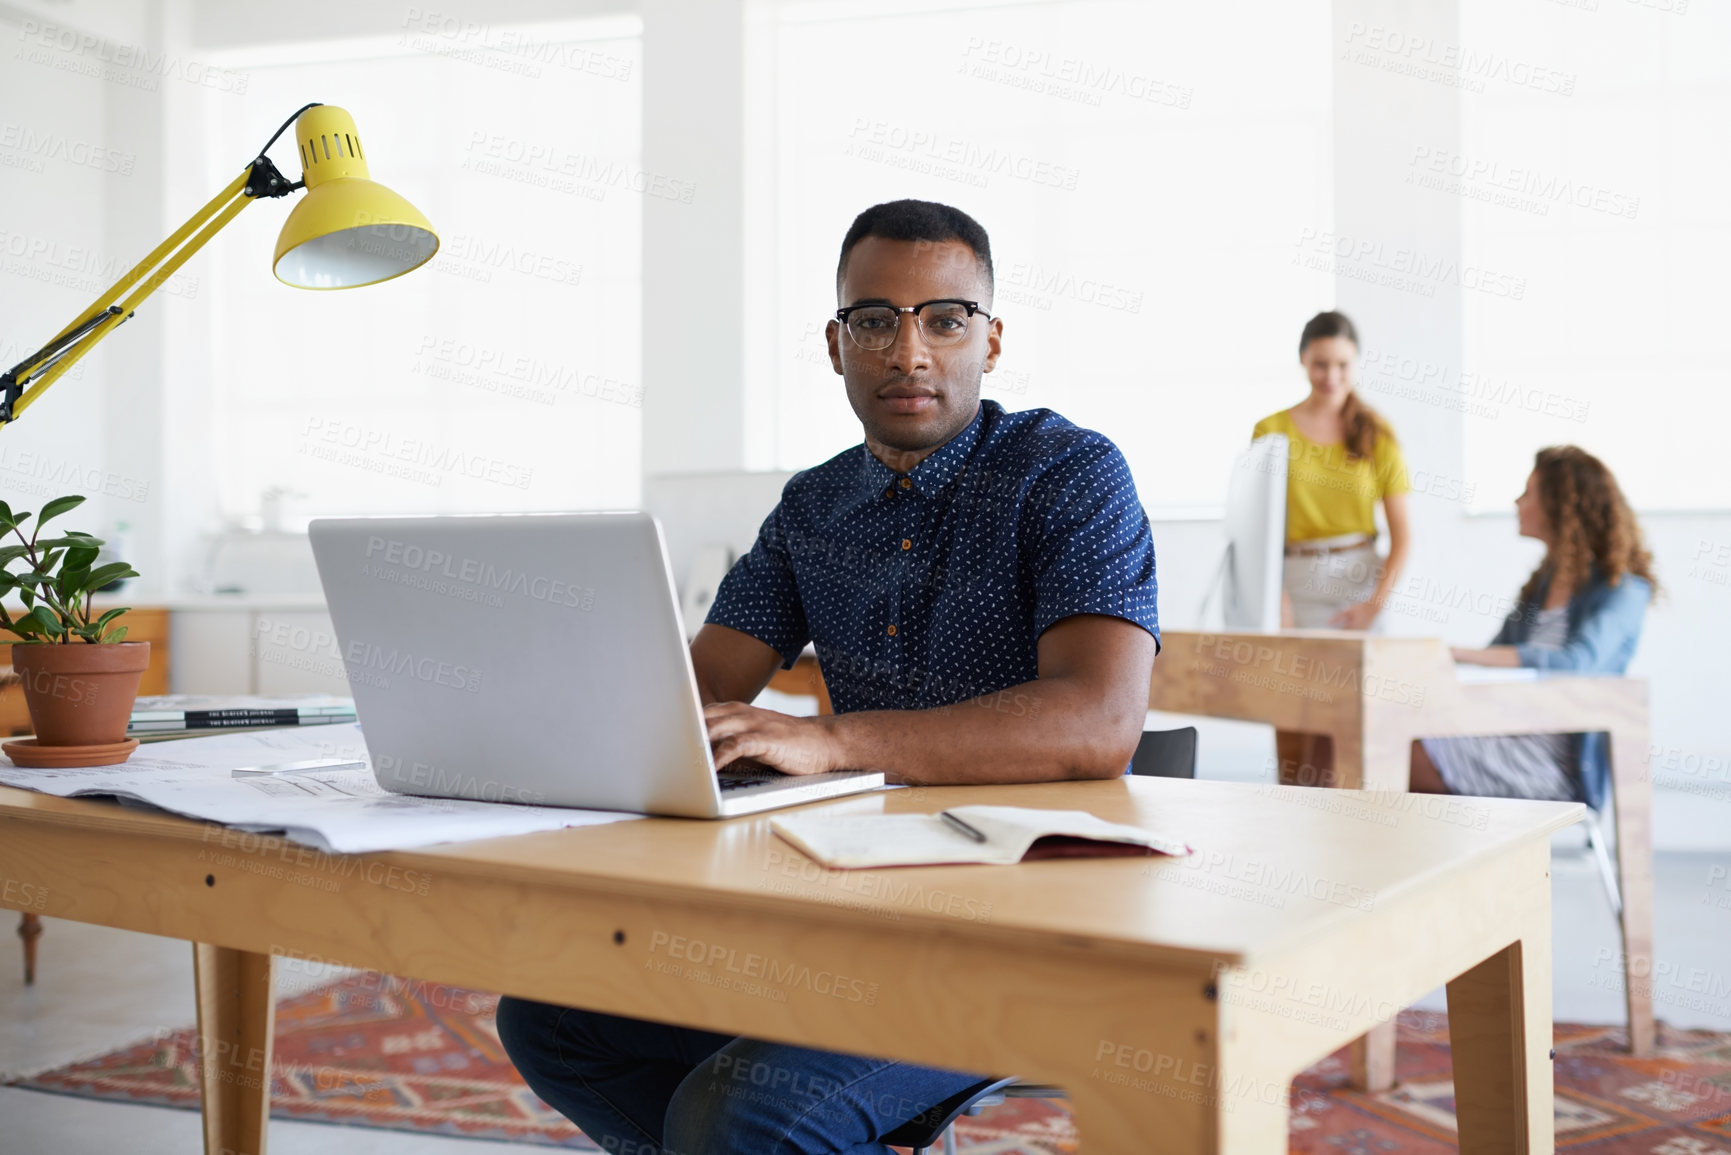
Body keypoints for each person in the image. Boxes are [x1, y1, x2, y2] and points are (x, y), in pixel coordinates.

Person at [495, 199, 1161, 1155]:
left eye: (945, 318)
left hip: (1026, 924)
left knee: (739, 1116)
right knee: (553, 1018)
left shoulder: (1068, 473)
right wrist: (545, 700)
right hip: (855, 903)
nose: (909, 351)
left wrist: (834, 740)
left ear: (992, 338)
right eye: (875, 320)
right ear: (836, 341)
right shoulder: (813, 505)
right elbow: (694, 691)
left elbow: (1098, 720)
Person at [1410, 446, 1656, 804]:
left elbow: (1578, 664)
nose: (1517, 502)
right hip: (1497, 731)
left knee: (1389, 751)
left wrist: (1456, 653)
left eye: (1528, 493)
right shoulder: (1542, 587)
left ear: (1563, 506)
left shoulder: (1626, 591)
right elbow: (1493, 656)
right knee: (1371, 739)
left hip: (1552, 760)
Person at [1253, 311, 1411, 631]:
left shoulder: (1377, 433)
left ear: (1356, 362)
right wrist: (1278, 599)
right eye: (1320, 364)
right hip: (1295, 584)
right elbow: (1258, 529)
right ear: (1303, 360)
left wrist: (1373, 606)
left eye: (1343, 365)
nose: (1331, 376)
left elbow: (1403, 536)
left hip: (1361, 583)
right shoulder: (1270, 431)